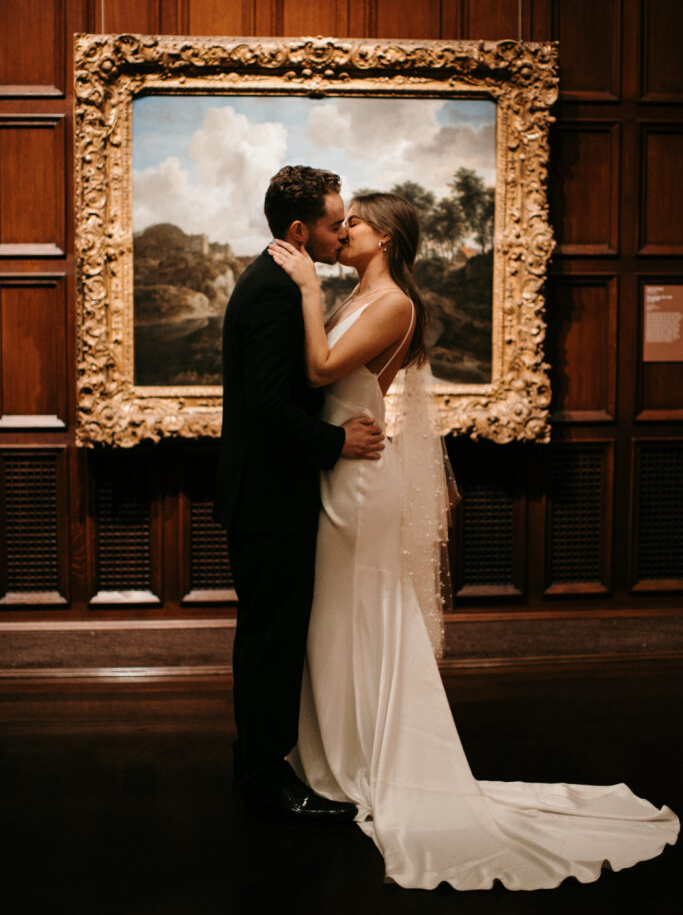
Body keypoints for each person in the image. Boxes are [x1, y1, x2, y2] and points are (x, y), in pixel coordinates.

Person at [267, 191, 680, 890]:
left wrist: (306, 285)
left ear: (388, 238)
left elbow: (319, 370)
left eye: (358, 223)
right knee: (339, 623)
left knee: (357, 618)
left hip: (361, 485)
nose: (345, 231)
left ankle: (369, 762)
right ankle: (337, 756)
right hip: (342, 466)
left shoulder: (394, 302)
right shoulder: (362, 295)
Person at [213, 166, 385, 824]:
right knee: (269, 643)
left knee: (272, 637)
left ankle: (264, 766)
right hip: (267, 500)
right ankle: (261, 779)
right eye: (334, 222)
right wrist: (335, 444)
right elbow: (265, 406)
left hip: (267, 494)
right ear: (297, 230)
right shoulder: (276, 294)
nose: (342, 232)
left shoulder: (280, 281)